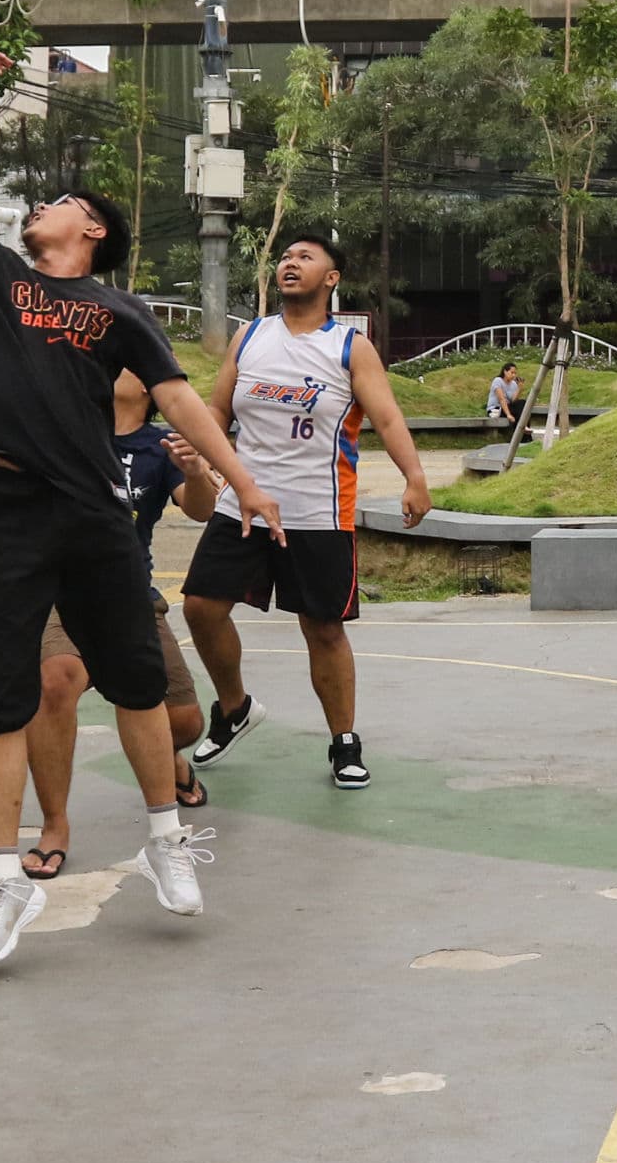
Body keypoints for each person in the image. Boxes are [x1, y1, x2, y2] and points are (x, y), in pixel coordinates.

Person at [0, 46, 281, 974]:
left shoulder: (117, 309)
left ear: (94, 232)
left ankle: (164, 839)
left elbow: (185, 403)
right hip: (9, 511)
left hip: (99, 516)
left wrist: (243, 482)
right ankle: (3, 880)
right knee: (1, 704)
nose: (45, 206)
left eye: (63, 203)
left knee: (138, 690)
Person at [185, 234, 434, 792]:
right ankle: (235, 707)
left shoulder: (349, 348)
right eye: (286, 257)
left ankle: (344, 741)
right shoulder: (250, 337)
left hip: (318, 510)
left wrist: (415, 477)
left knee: (322, 631)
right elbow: (217, 409)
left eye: (305, 257)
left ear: (332, 278)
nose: (290, 263)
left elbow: (388, 419)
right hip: (243, 502)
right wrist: (200, 456)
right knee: (201, 607)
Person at [24, 368, 222, 880]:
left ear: (149, 390)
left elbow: (200, 510)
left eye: (131, 362)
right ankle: (54, 827)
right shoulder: (65, 425)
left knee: (185, 723)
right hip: (60, 589)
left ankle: (172, 764)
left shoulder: (160, 445)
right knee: (57, 679)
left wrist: (197, 471)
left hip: (129, 593)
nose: (116, 363)